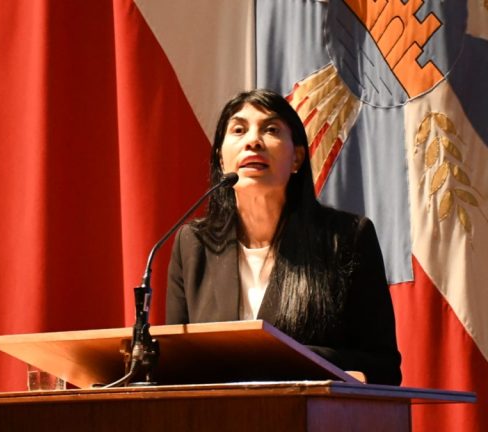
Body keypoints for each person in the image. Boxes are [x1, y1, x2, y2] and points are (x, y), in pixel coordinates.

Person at [165, 89, 401, 385]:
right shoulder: (193, 244)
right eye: (238, 130)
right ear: (222, 160)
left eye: (271, 129)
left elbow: (383, 367)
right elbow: (177, 362)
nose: (253, 141)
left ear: (297, 158)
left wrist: (282, 361)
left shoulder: (347, 238)